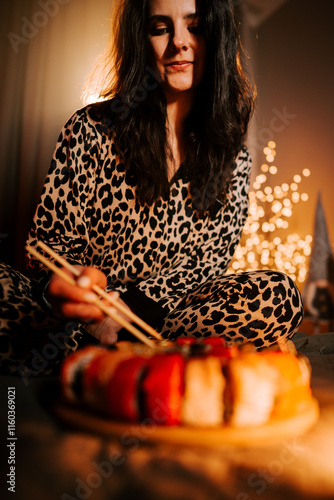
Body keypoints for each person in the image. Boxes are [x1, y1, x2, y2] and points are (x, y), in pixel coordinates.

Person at [0, 0, 303, 376]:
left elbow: (205, 266)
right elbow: (49, 248)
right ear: (141, 40)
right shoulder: (89, 129)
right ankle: (138, 363)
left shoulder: (233, 158)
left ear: (217, 37)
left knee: (277, 296)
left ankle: (128, 360)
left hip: (162, 322)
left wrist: (131, 309)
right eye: (160, 28)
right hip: (73, 325)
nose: (179, 43)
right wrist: (62, 289)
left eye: (195, 26)